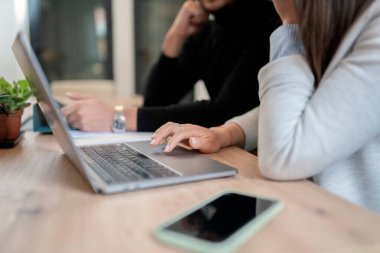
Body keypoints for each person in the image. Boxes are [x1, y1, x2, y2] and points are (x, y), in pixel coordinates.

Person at [151, 0, 380, 213]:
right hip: (304, 209)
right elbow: (316, 108)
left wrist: (290, 24)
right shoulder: (337, 22)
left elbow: (283, 156)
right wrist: (225, 134)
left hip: (352, 228)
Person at [61, 0, 279, 132]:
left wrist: (116, 118)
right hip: (224, 154)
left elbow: (225, 113)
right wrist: (174, 37)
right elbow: (155, 101)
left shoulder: (270, 24)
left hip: (254, 163)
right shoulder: (208, 32)